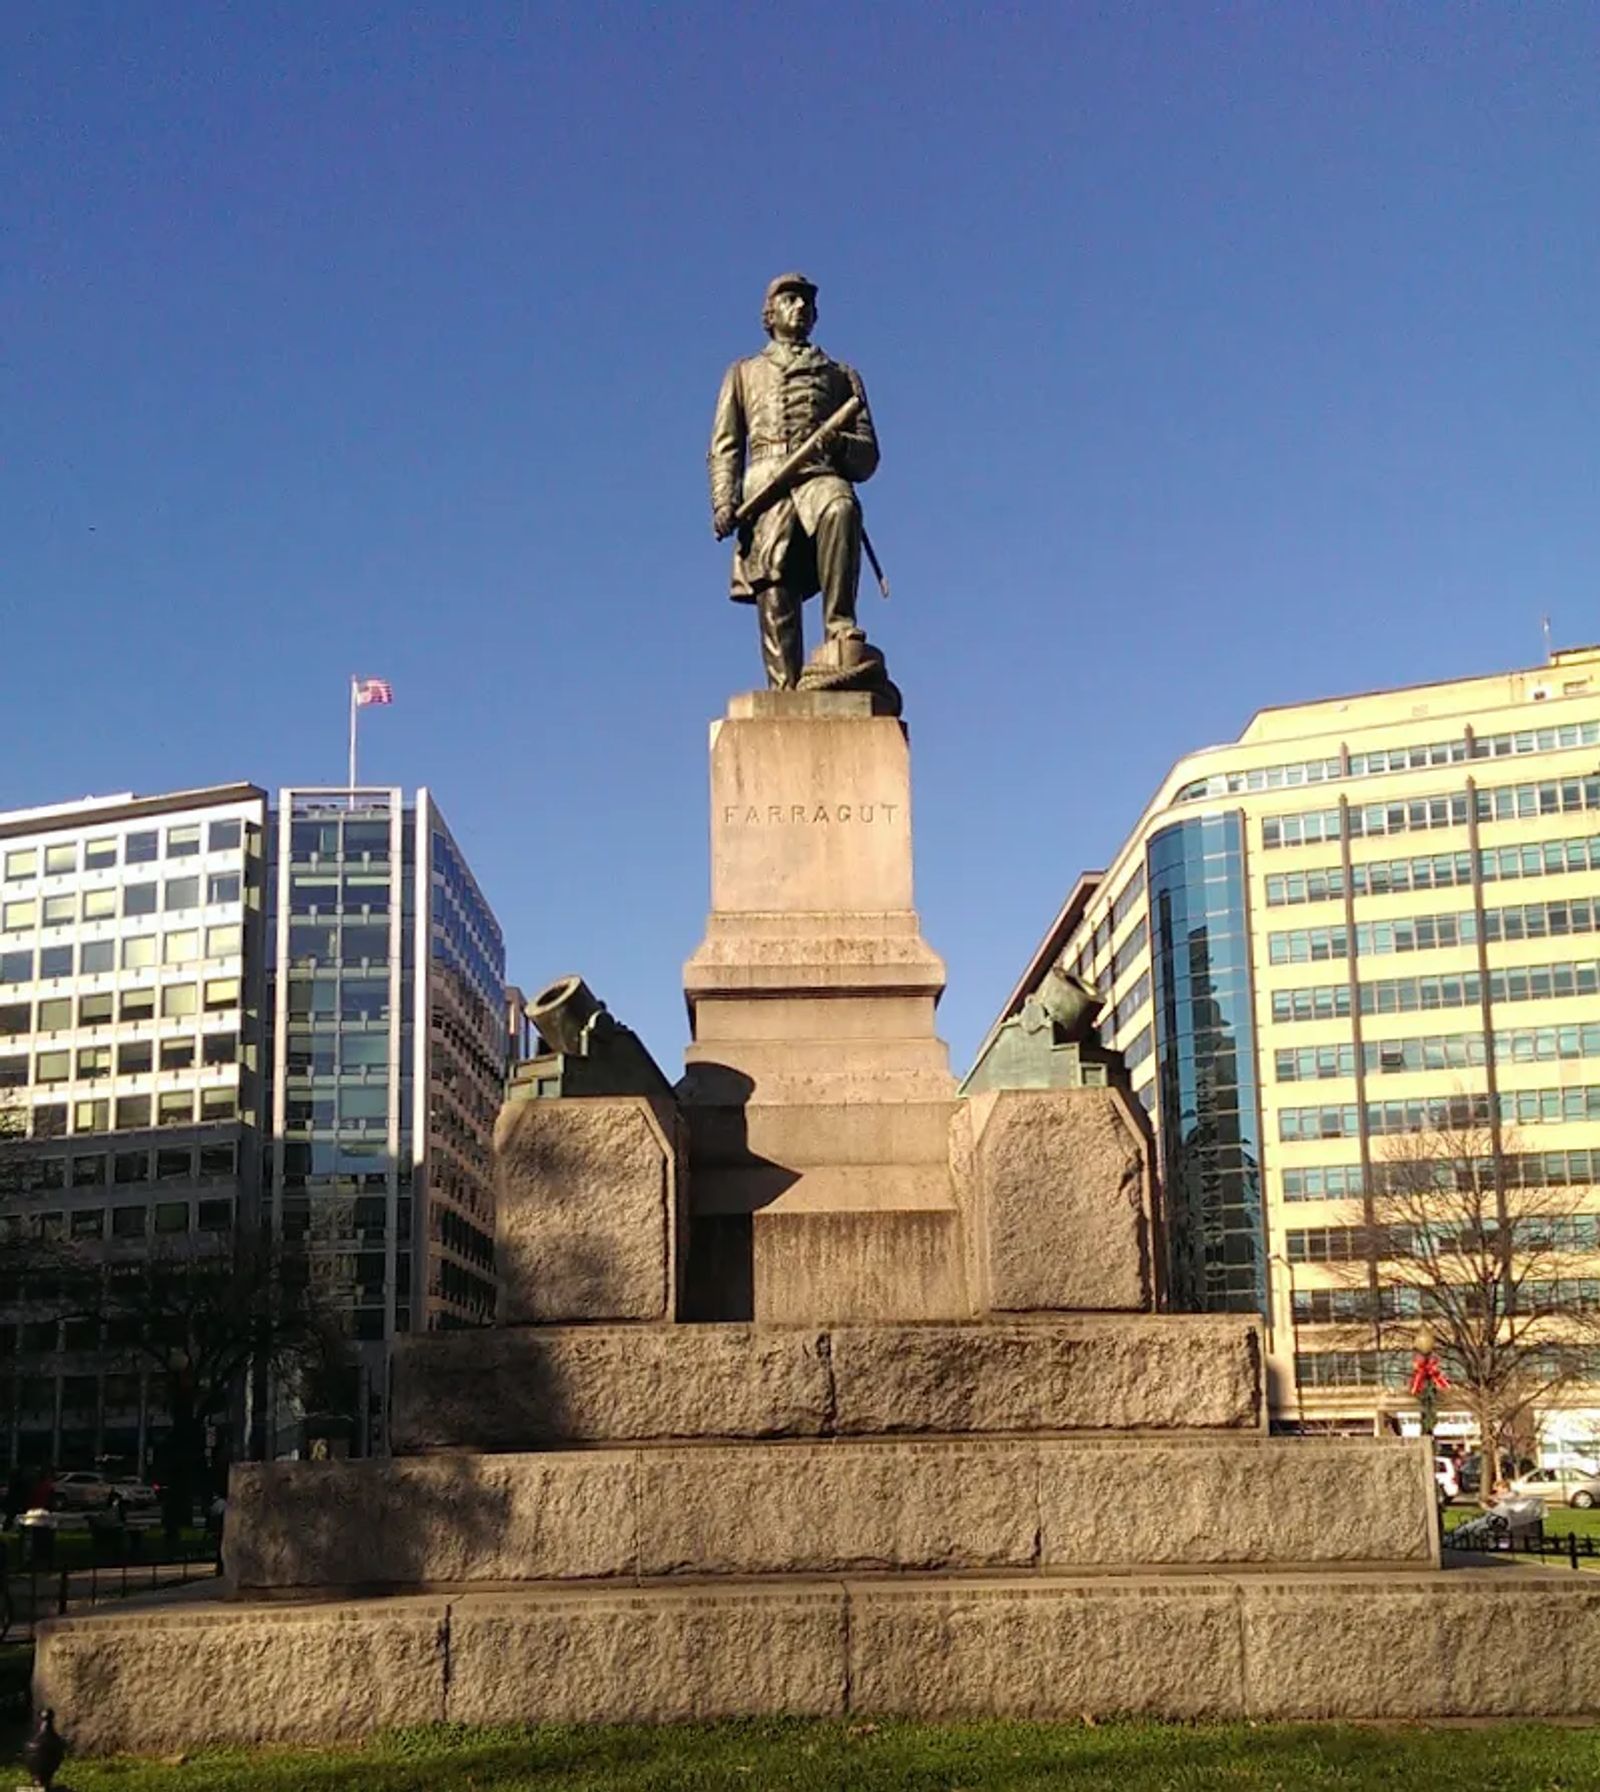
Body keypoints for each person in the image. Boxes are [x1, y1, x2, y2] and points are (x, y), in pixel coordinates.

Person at [708, 273, 880, 689]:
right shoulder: (744, 372)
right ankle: (783, 685)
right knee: (774, 570)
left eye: (805, 301)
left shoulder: (841, 376)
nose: (799, 307)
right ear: (770, 313)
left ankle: (840, 629)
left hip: (819, 475)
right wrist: (723, 501)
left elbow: (868, 457)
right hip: (766, 479)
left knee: (842, 508)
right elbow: (725, 445)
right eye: (789, 300)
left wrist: (838, 443)